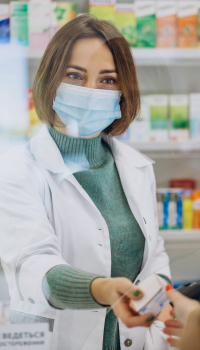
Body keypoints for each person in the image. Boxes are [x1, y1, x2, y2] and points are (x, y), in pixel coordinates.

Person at [0, 15, 172, 350]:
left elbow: (155, 259)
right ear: (51, 79)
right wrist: (105, 290)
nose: (90, 91)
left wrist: (156, 303)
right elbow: (36, 268)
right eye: (75, 76)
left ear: (123, 93)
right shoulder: (14, 170)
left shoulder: (137, 168)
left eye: (107, 81)